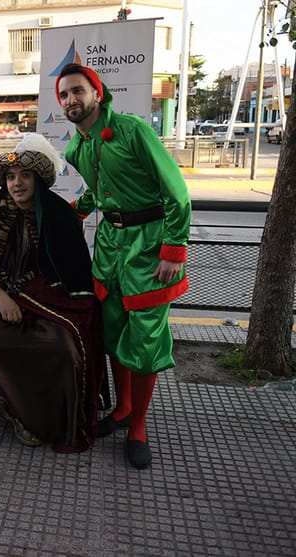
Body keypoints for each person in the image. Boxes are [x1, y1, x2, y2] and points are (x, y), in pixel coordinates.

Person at [57, 63, 191, 469]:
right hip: (110, 249)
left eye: (77, 91)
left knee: (145, 340)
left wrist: (173, 249)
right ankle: (121, 409)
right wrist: (75, 211)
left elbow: (176, 191)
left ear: (97, 93)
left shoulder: (133, 130)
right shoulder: (74, 149)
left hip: (150, 249)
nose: (70, 100)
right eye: (63, 95)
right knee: (114, 332)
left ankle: (139, 426)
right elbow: (100, 193)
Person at [0, 134, 105, 453]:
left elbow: (72, 275)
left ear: (39, 179)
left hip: (51, 303)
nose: (16, 183)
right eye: (10, 177)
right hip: (4, 300)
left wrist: (26, 296)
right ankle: (13, 402)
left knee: (61, 347)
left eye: (24, 176)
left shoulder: (60, 215)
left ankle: (40, 414)